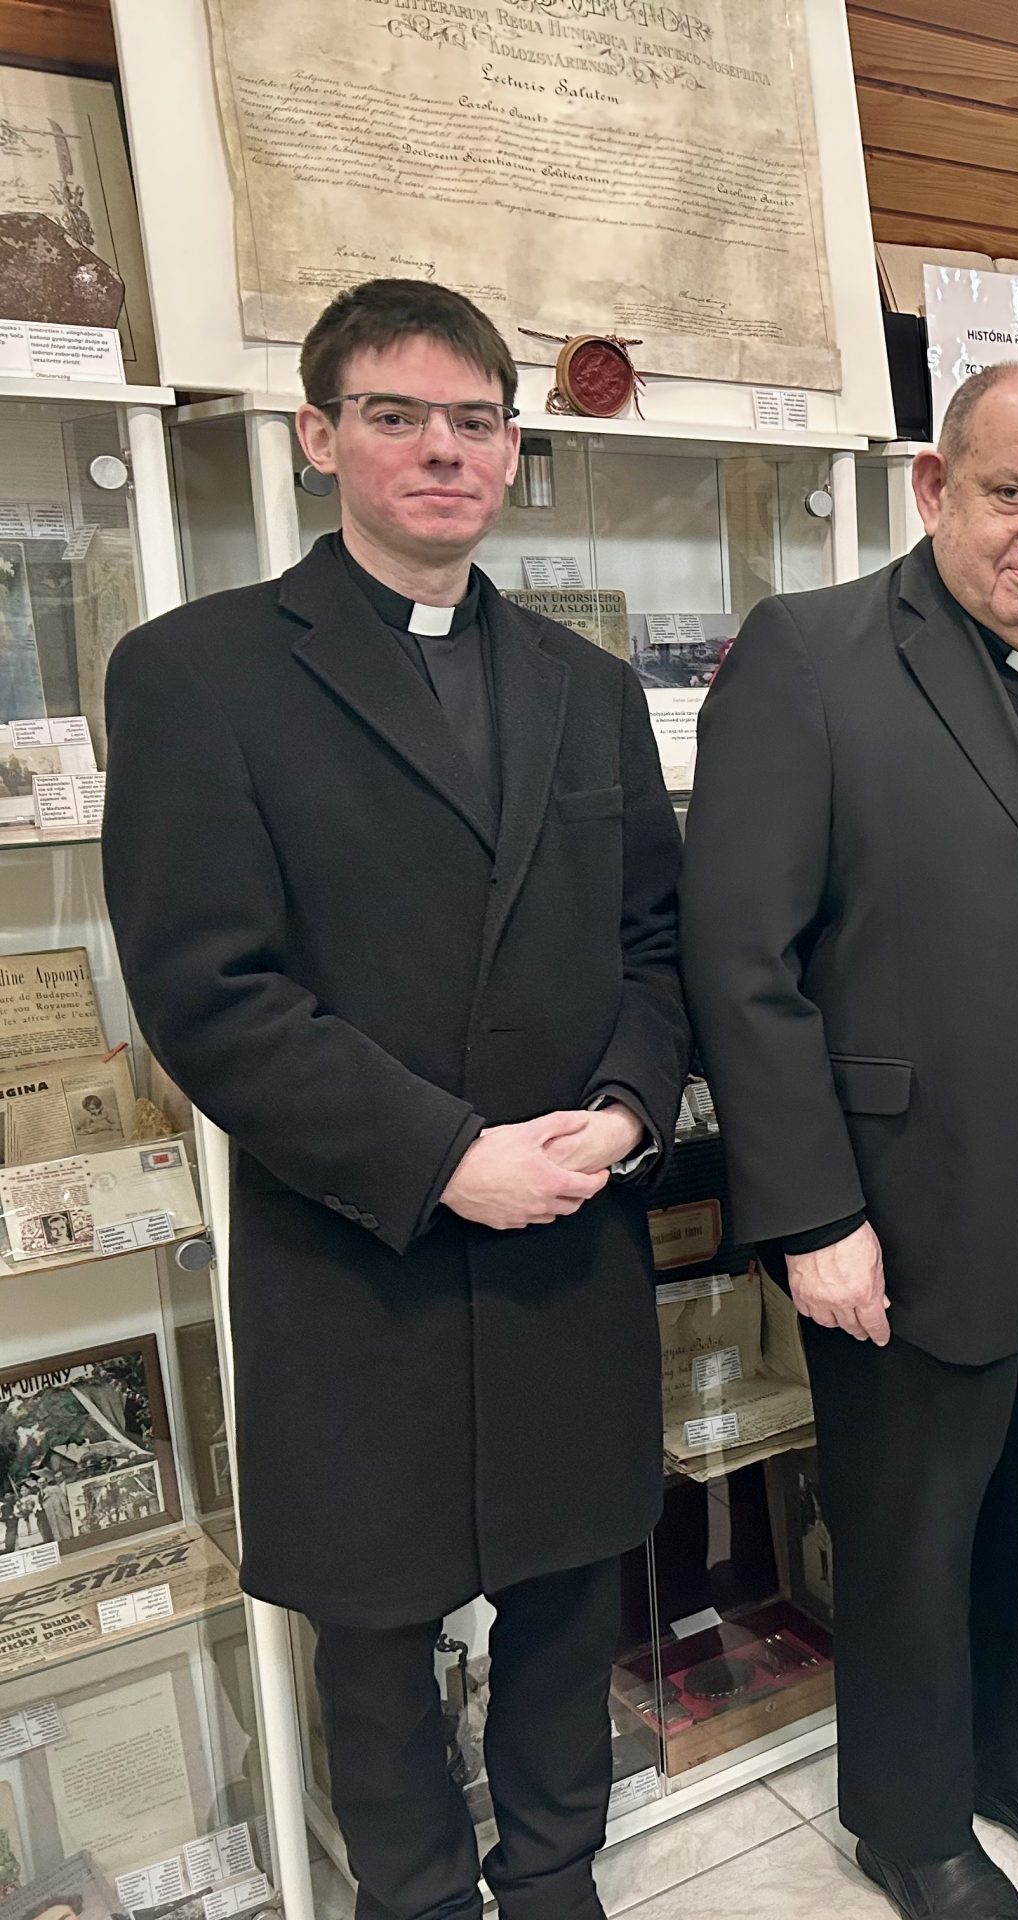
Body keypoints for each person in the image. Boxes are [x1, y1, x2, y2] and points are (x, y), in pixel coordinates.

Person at [101, 280, 688, 1920]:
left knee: (571, 1604)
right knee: (372, 1637)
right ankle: (414, 1899)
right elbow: (207, 993)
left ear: (512, 448)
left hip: (568, 1227)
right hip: (359, 1244)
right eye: (397, 416)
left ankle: (555, 1879)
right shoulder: (196, 673)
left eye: (475, 421)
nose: (443, 450)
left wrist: (627, 1114)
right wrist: (443, 1158)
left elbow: (657, 947)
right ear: (318, 436)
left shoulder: (586, 686)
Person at [680, 364, 1018, 1920]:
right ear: (935, 487)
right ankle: (910, 1818)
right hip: (919, 1208)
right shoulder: (814, 657)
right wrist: (812, 1215)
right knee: (916, 1534)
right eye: (1012, 494)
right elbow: (741, 962)